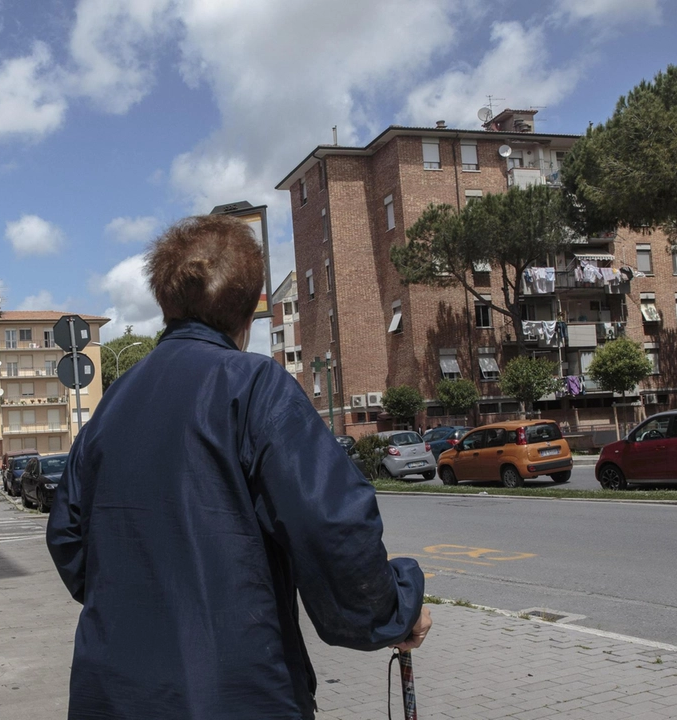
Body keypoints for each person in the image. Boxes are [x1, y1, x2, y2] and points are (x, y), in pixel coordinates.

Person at [47, 216, 429, 720]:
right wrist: (394, 612)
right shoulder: (254, 386)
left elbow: (69, 538)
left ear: (165, 301)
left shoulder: (113, 402)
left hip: (113, 692)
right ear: (248, 312)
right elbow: (331, 524)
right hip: (236, 692)